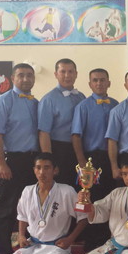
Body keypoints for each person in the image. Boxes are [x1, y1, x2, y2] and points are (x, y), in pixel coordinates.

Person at [0, 153, 88, 254]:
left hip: (56, 246)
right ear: (34, 170)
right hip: (33, 245)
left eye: (46, 168)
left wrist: (70, 239)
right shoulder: (27, 191)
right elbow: (22, 216)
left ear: (55, 170)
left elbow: (83, 218)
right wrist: (21, 235)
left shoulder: (67, 191)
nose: (42, 172)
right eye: (38, 168)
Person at [0, 63, 39, 254]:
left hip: (33, 161)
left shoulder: (36, 103)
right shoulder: (3, 102)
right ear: (12, 78)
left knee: (32, 206)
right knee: (7, 209)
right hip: (13, 160)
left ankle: (30, 248)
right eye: (21, 75)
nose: (26, 79)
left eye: (29, 75)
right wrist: (1, 163)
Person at [71, 68, 119, 250]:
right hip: (91, 159)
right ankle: (92, 243)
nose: (99, 83)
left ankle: (109, 238)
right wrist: (82, 162)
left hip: (112, 158)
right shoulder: (83, 106)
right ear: (90, 84)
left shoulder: (116, 105)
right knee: (93, 199)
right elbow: (76, 135)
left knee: (111, 198)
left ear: (109, 83)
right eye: (95, 80)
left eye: (102, 80)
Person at [38, 58, 85, 187]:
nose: (67, 75)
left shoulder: (81, 97)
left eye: (70, 71)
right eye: (63, 71)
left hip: (80, 149)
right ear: (56, 74)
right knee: (61, 188)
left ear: (76, 74)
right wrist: (49, 161)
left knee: (80, 189)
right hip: (59, 150)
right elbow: (44, 133)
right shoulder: (49, 99)